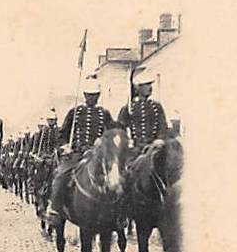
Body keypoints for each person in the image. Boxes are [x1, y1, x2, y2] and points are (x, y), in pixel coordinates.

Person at [46, 76, 114, 227]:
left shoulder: (104, 113)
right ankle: (55, 210)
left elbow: (113, 133)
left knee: (116, 177)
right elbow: (62, 134)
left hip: (98, 154)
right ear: (84, 95)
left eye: (95, 95)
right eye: (89, 95)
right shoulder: (75, 112)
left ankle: (119, 215)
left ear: (99, 96)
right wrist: (65, 146)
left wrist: (104, 142)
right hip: (77, 153)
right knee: (61, 175)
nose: (92, 98)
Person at [116, 68, 169, 150]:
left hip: (154, 147)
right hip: (135, 147)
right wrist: (127, 141)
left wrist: (160, 139)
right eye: (146, 85)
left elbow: (162, 126)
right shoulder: (129, 108)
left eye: (150, 84)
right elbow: (119, 129)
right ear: (138, 88)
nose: (150, 88)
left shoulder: (156, 106)